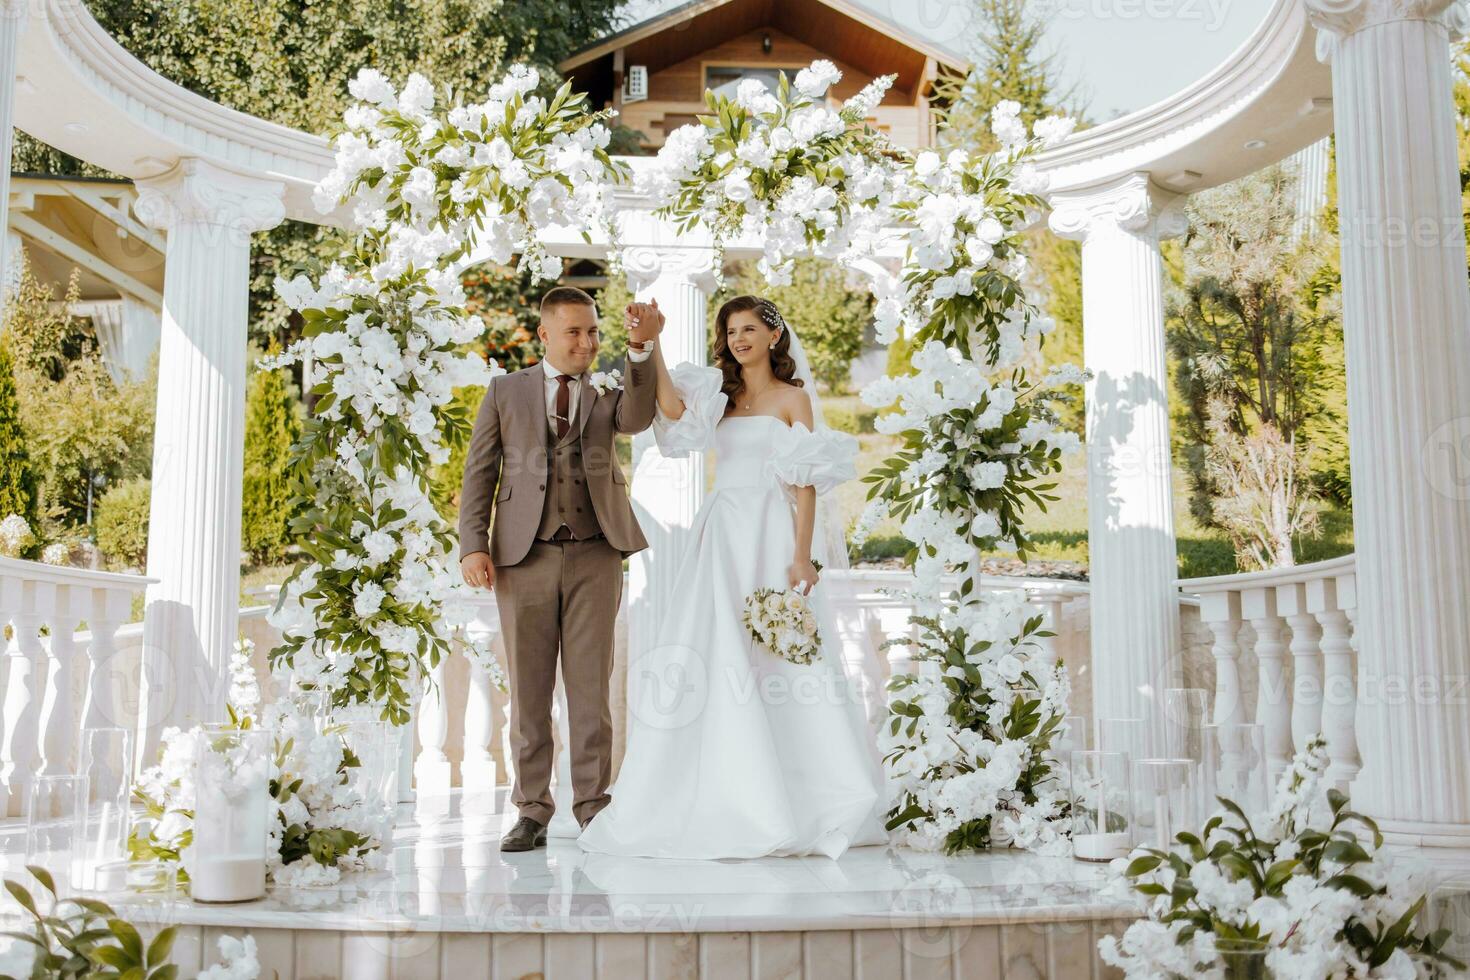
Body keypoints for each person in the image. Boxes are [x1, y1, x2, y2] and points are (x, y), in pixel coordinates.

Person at [576, 294, 888, 860]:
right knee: (714, 649)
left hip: (769, 535)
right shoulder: (720, 393)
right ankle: (725, 792)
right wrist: (657, 340)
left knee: (779, 657)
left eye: (749, 328)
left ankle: (804, 795)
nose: (739, 338)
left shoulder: (794, 399)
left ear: (773, 335)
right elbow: (669, 408)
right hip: (722, 535)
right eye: (731, 330)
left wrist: (802, 557)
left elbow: (804, 482)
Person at [458, 285, 662, 852]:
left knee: (591, 689)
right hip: (523, 557)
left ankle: (595, 808)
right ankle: (531, 810)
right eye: (574, 332)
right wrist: (472, 543)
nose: (587, 342)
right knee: (529, 692)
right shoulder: (505, 391)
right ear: (545, 334)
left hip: (597, 552)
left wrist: (640, 350)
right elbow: (480, 471)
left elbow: (639, 418)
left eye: (594, 331)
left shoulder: (609, 389)